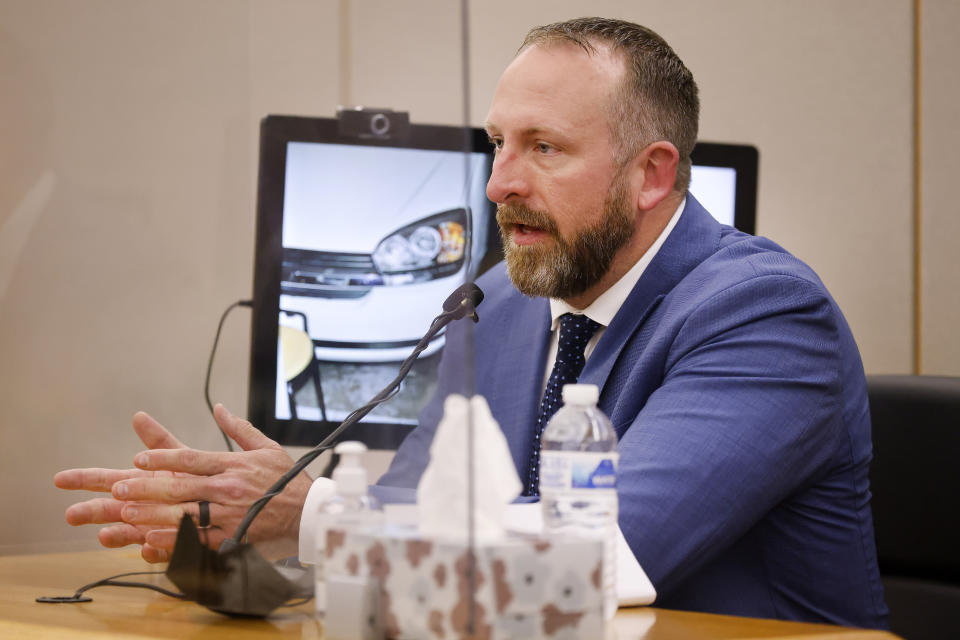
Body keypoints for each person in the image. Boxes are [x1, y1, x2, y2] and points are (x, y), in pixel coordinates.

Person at [55, 17, 887, 628]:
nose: (498, 184)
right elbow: (423, 523)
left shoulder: (767, 314)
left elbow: (599, 560)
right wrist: (276, 528)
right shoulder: (501, 305)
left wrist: (311, 515)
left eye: (544, 148)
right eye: (497, 143)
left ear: (652, 175)